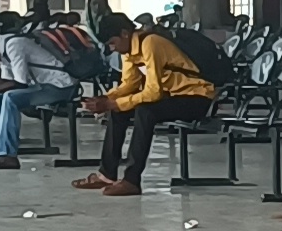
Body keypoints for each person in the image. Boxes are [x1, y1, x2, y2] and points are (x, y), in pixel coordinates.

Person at [79, 15, 214, 197]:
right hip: (172, 97)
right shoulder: (129, 51)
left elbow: (153, 92)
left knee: (146, 111)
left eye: (113, 43)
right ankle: (107, 174)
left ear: (125, 33)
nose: (113, 49)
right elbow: (129, 84)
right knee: (118, 110)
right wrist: (105, 99)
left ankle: (132, 180)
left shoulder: (150, 43)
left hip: (196, 97)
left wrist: (114, 102)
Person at [0, 13, 77, 169]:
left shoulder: (13, 45)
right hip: (42, 86)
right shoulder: (2, 54)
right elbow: (6, 82)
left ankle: (8, 155)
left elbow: (19, 83)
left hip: (61, 86)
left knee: (10, 98)